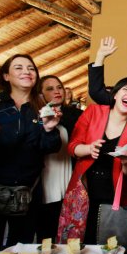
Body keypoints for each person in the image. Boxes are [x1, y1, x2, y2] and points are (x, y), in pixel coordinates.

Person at [57, 38, 127, 244]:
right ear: (114, 95)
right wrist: (88, 148)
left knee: (108, 244)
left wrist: (126, 160)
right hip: (84, 187)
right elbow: (72, 147)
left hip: (114, 191)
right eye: (125, 90)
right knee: (77, 243)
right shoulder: (94, 111)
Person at [0, 54, 61, 246]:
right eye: (19, 68)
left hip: (28, 189)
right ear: (6, 76)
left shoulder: (41, 108)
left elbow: (49, 148)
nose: (26, 72)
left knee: (22, 247)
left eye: (31, 68)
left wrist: (49, 129)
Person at [35, 75, 83, 241]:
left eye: (59, 87)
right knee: (46, 234)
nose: (57, 91)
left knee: (68, 233)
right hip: (44, 180)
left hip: (68, 178)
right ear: (40, 95)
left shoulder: (74, 115)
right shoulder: (36, 117)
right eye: (50, 88)